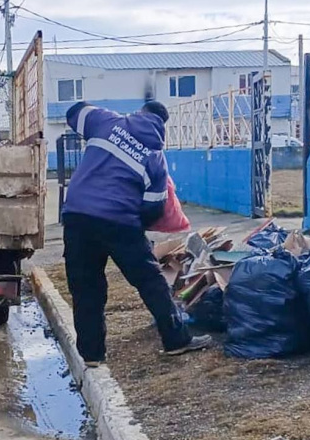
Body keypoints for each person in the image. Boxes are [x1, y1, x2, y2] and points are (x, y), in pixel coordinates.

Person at [61, 101, 212, 367]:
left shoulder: (106, 121)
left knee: (86, 286)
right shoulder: (154, 156)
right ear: (161, 126)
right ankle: (176, 340)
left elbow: (74, 112)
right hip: (120, 220)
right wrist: (134, 227)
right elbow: (154, 207)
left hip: (77, 216)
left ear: (140, 112)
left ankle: (92, 355)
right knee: (150, 281)